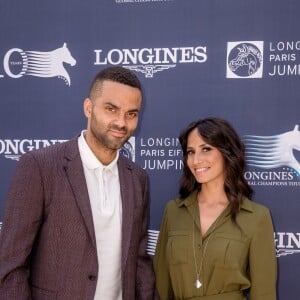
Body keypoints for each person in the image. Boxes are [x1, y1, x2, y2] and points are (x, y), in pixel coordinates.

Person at [0, 66, 157, 300]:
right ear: (88, 108)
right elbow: (11, 266)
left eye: (131, 114)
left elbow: (139, 262)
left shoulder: (137, 178)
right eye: (111, 109)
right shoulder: (40, 166)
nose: (121, 122)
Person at [153, 117, 277, 300]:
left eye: (206, 149)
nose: (196, 160)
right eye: (190, 152)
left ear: (227, 152)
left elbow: (264, 294)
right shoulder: (173, 211)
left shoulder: (257, 217)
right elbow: (161, 285)